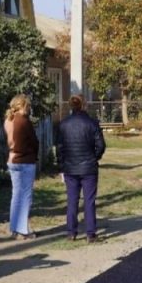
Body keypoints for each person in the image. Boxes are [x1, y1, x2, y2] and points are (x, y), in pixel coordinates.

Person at [57, 96, 106, 242]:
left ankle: (71, 232)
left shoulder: (63, 124)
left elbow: (59, 148)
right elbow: (101, 145)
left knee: (72, 200)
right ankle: (90, 233)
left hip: (70, 167)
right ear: (84, 106)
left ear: (71, 106)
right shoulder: (92, 123)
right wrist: (94, 157)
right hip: (89, 167)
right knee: (89, 200)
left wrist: (61, 165)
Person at [5, 94, 39, 240]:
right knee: (25, 197)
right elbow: (33, 141)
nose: (29, 109)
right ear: (23, 106)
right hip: (24, 160)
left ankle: (14, 227)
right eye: (28, 106)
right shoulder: (24, 121)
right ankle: (23, 230)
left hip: (12, 159)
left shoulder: (8, 120)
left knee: (16, 196)